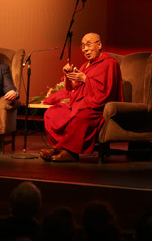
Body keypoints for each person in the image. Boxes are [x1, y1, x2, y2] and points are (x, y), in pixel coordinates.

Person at [40, 33, 123, 162]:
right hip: (78, 104)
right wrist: (68, 75)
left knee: (81, 116)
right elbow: (71, 88)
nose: (85, 49)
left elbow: (107, 92)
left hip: (96, 108)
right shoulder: (86, 65)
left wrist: (85, 78)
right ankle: (58, 147)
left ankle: (69, 152)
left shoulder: (110, 63)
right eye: (83, 46)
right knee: (52, 113)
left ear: (99, 45)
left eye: (89, 44)